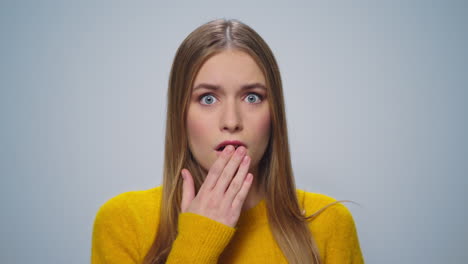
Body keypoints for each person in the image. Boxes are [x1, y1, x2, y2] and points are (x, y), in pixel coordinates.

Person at [91, 18, 364, 264]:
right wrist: (198, 239)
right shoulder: (124, 221)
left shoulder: (329, 223)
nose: (231, 121)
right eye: (208, 98)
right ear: (180, 114)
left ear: (274, 114)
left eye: (252, 97)